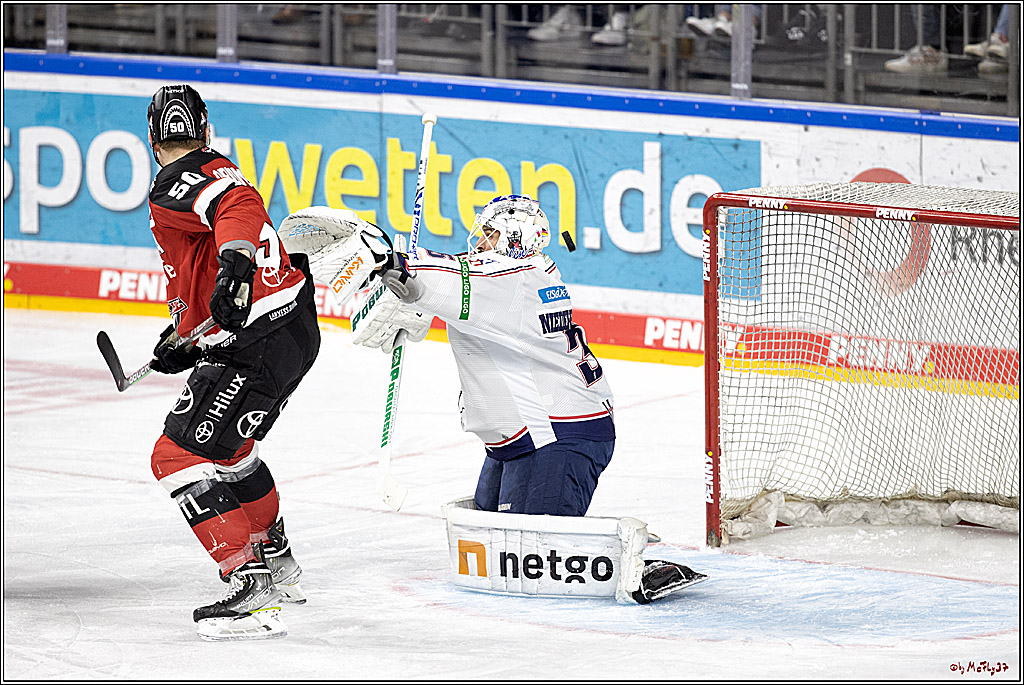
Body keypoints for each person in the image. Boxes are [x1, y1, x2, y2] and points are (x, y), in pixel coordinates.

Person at [343, 194, 705, 603]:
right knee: (487, 536)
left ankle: (632, 562)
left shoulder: (509, 278)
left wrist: (393, 263)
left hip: (557, 436)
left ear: (512, 237)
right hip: (528, 435)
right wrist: (408, 301)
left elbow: (448, 277)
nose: (479, 241)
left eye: (490, 232)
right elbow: (452, 295)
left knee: (524, 555)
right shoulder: (519, 276)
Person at [145, 84, 321, 640]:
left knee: (175, 455)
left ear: (153, 142)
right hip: (290, 329)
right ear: (207, 132)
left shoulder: (176, 181)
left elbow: (237, 213)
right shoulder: (220, 166)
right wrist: (185, 338)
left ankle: (250, 585)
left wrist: (236, 265)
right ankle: (279, 563)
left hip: (257, 339)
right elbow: (211, 261)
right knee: (232, 450)